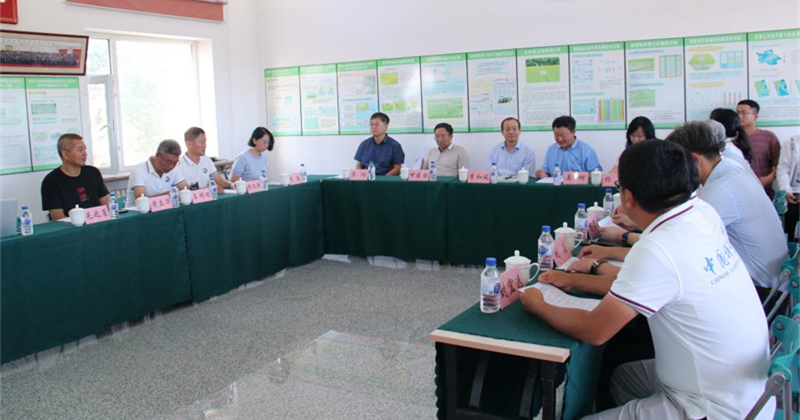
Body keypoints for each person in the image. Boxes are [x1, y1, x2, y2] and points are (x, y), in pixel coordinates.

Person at [522, 139, 772, 420]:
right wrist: (575, 281)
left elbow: (595, 330)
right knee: (620, 378)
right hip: (747, 387)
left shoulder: (658, 248)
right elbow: (644, 284)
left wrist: (539, 305)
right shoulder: (702, 212)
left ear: (628, 197)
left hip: (710, 408)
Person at [668, 122, 787, 298]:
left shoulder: (721, 190)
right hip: (772, 280)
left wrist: (626, 236)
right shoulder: (731, 167)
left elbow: (675, 243)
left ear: (695, 160)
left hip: (761, 291)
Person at [41, 133, 109, 220]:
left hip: (98, 223)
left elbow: (105, 205)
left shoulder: (93, 172)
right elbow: (57, 217)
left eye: (85, 149)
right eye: (80, 150)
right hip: (71, 226)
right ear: (65, 154)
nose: (85, 154)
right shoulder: (51, 181)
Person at [737, 99, 781, 198]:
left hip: (764, 192)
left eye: (744, 113)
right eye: (738, 113)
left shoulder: (768, 137)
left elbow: (780, 165)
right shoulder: (733, 139)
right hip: (738, 192)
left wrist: (766, 180)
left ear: (755, 116)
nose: (739, 116)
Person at [125, 139, 189, 207]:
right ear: (158, 156)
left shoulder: (173, 168)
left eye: (175, 163)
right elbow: (141, 200)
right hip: (137, 212)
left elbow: (185, 189)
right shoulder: (139, 171)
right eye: (168, 162)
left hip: (163, 209)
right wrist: (169, 195)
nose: (171, 166)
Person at [536, 115, 601, 178]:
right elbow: (546, 171)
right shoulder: (551, 150)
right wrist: (543, 174)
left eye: (563, 135)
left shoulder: (586, 150)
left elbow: (596, 174)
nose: (560, 139)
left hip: (578, 185)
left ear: (573, 132)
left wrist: (577, 176)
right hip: (556, 185)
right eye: (556, 135)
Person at [180, 127, 232, 191]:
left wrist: (232, 185)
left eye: (205, 142)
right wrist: (209, 190)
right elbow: (184, 190)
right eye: (201, 142)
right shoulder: (179, 165)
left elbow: (219, 180)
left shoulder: (206, 159)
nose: (205, 146)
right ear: (189, 144)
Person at [776, 133, 800, 241]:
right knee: (789, 214)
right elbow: (782, 170)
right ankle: (789, 245)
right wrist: (786, 190)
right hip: (793, 192)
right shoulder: (790, 143)